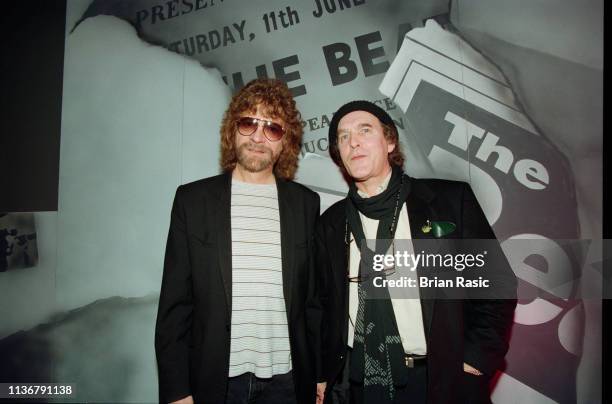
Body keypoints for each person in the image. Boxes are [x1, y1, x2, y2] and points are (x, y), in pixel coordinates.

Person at [315, 100, 517, 404]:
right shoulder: (331, 224)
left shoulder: (448, 201)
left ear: (390, 141)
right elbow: (322, 306)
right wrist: (322, 372)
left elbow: (496, 283)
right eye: (343, 136)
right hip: (363, 383)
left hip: (441, 380)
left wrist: (475, 358)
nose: (353, 141)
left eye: (364, 130)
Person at [155, 78, 322, 404]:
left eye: (272, 128)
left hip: (287, 382)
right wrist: (176, 391)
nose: (259, 136)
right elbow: (175, 307)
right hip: (216, 382)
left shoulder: (305, 203)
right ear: (233, 130)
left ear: (285, 142)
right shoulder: (193, 200)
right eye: (249, 123)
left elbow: (312, 303)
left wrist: (319, 374)